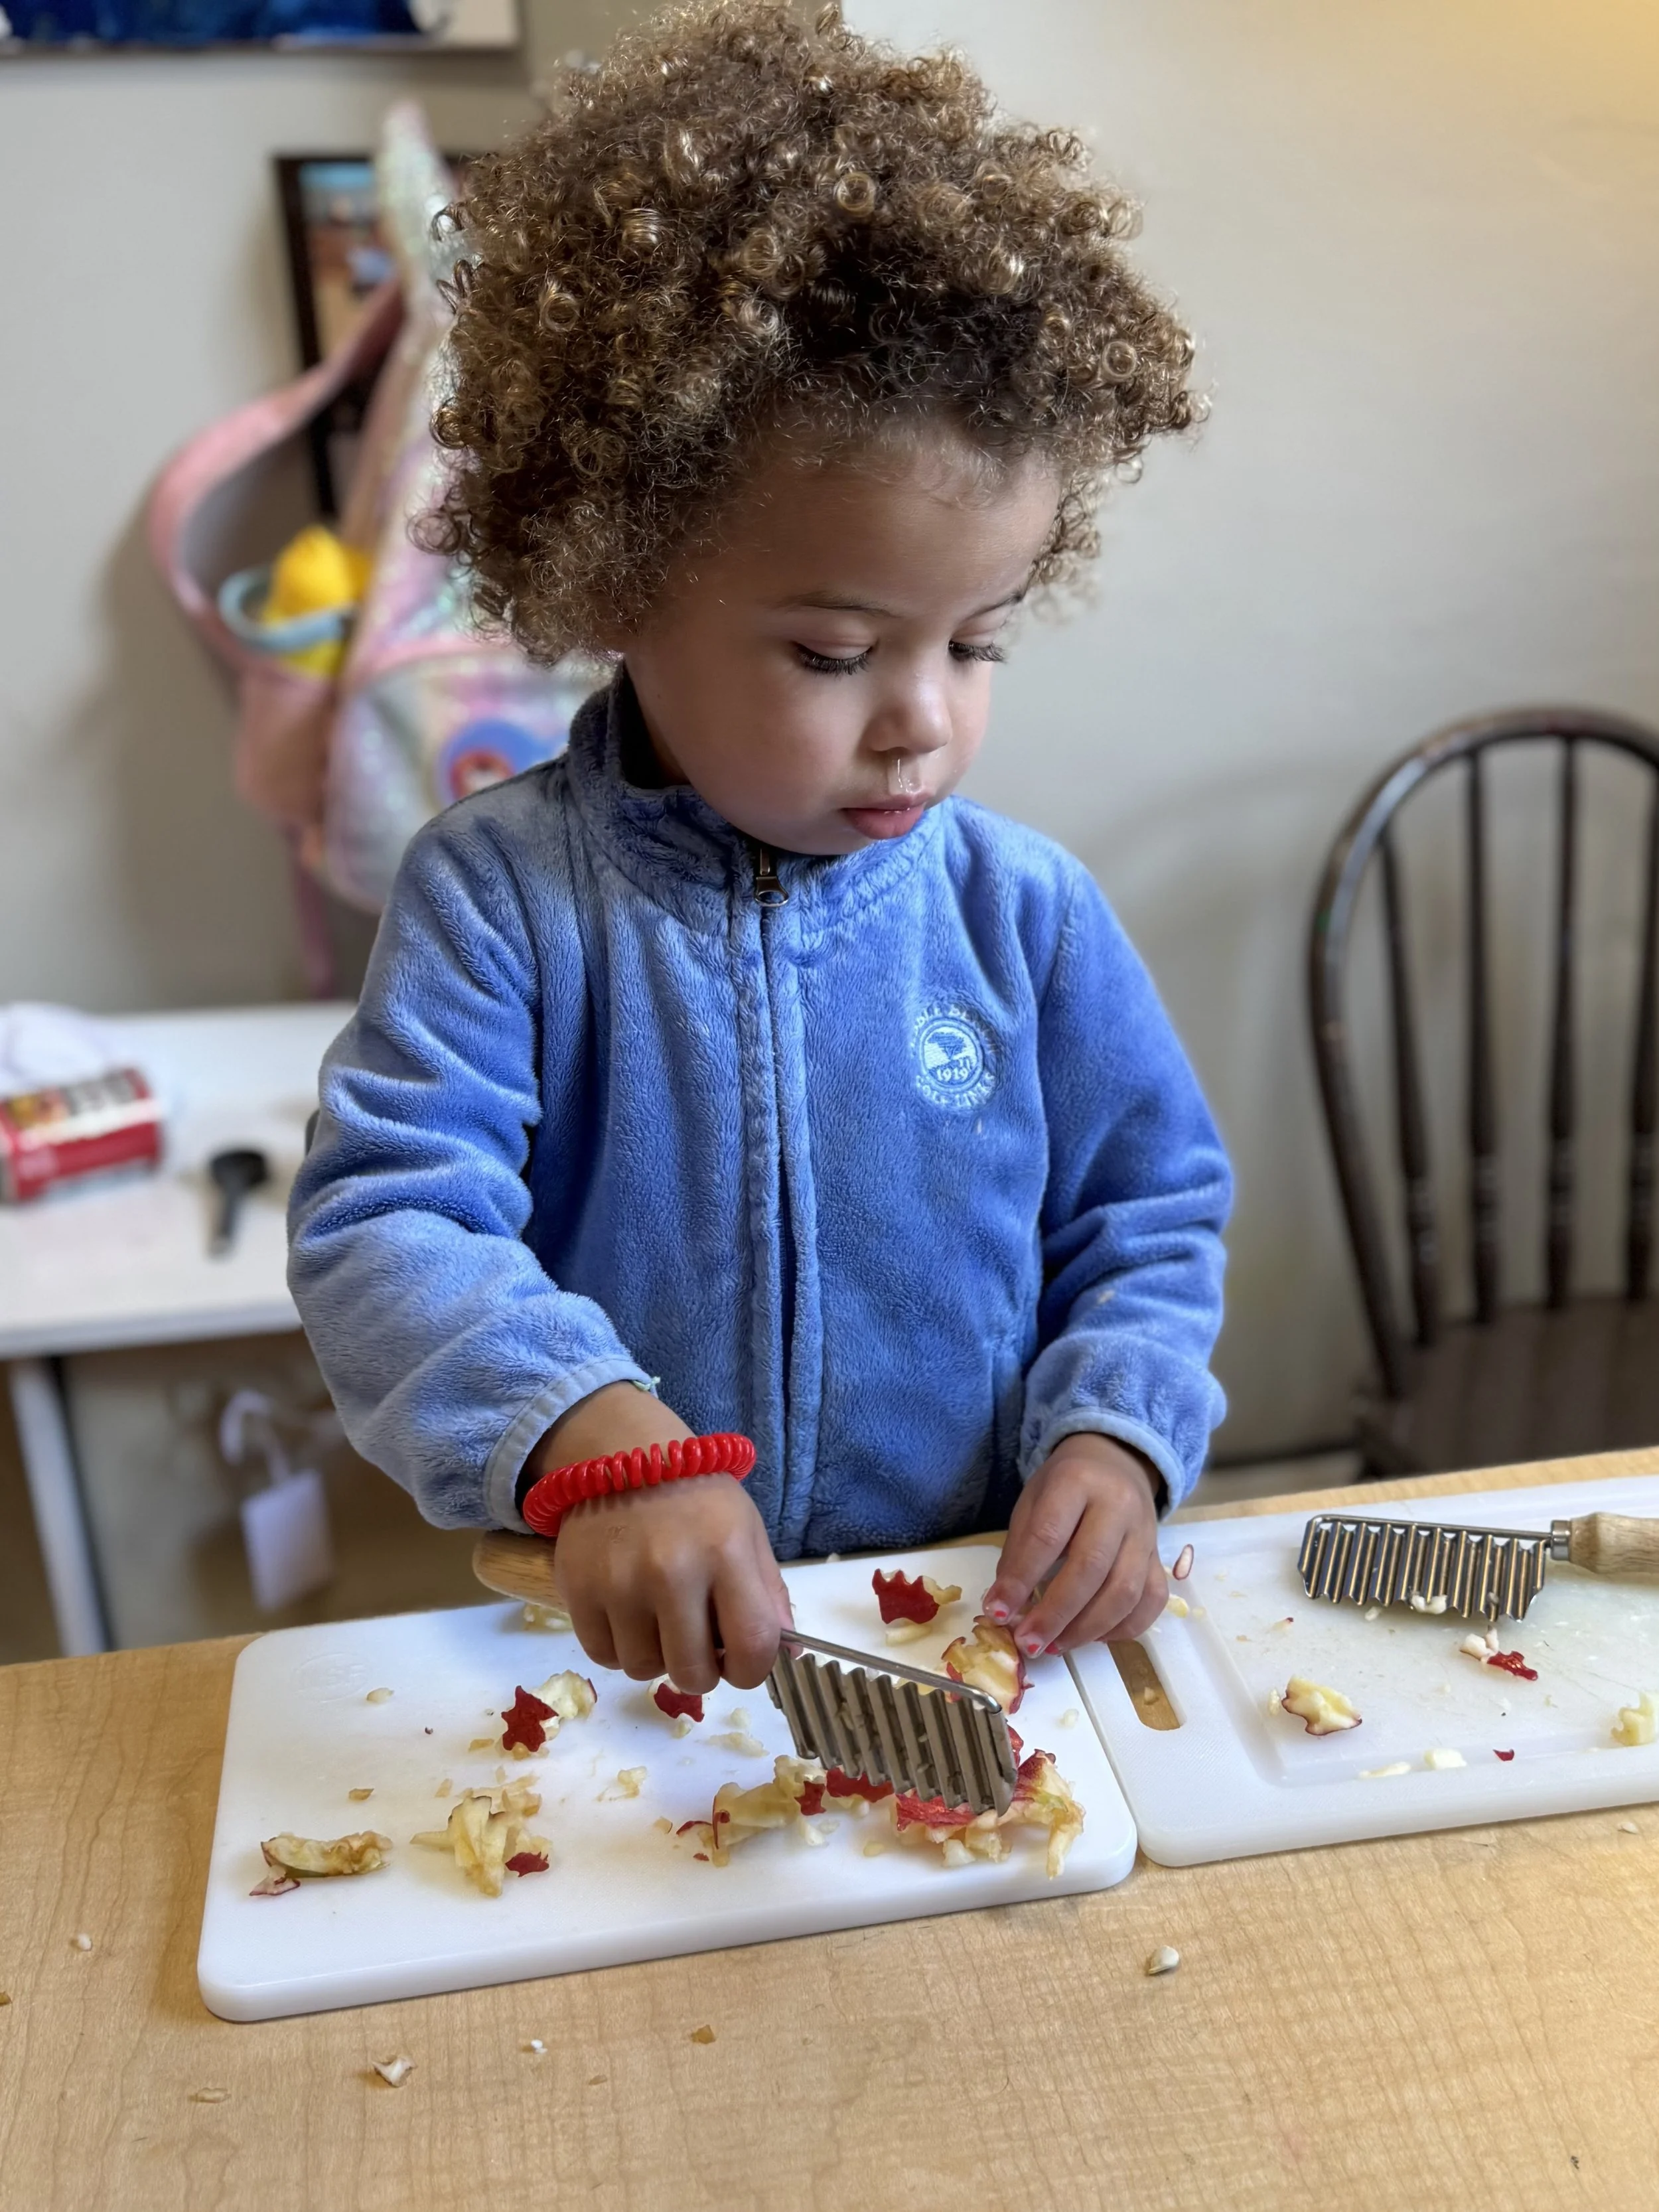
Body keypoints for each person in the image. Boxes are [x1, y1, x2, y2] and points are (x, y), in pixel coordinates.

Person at [288, 0, 1232, 1701]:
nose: (921, 721)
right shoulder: (502, 902)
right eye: (832, 653)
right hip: (614, 1666)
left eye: (978, 641)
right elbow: (386, 1216)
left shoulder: (1025, 915)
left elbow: (1146, 1211)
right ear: (615, 582)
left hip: (961, 1642)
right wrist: (589, 1427)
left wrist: (1118, 1433)